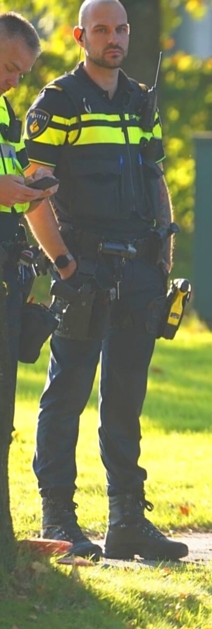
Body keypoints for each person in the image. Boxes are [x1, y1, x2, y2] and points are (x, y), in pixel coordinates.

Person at [22, 0, 186, 560]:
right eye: (101, 30)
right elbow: (34, 190)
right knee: (67, 394)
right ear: (80, 36)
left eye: (120, 29)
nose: (112, 38)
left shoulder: (141, 101)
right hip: (83, 269)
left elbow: (155, 176)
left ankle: (127, 522)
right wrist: (64, 264)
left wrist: (163, 257)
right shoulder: (59, 102)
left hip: (140, 269)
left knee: (125, 398)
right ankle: (58, 520)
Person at [0, 13, 58, 387]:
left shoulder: (5, 110)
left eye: (21, 74)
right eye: (9, 68)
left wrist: (33, 189)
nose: (14, 82)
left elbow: (18, 170)